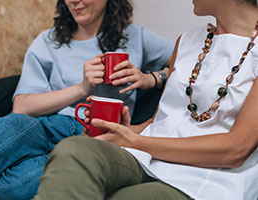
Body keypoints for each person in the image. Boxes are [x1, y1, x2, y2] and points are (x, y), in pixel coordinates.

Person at [33, 0, 258, 199]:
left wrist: (134, 141)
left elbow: (236, 150)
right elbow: (160, 122)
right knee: (74, 149)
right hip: (146, 158)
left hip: (203, 181)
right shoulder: (188, 41)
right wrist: (125, 130)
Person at [0, 0, 174, 199]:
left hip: (97, 138)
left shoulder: (135, 36)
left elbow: (188, 60)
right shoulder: (47, 41)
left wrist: (153, 78)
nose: (74, 1)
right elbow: (21, 106)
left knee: (31, 182)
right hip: (48, 125)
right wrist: (82, 88)